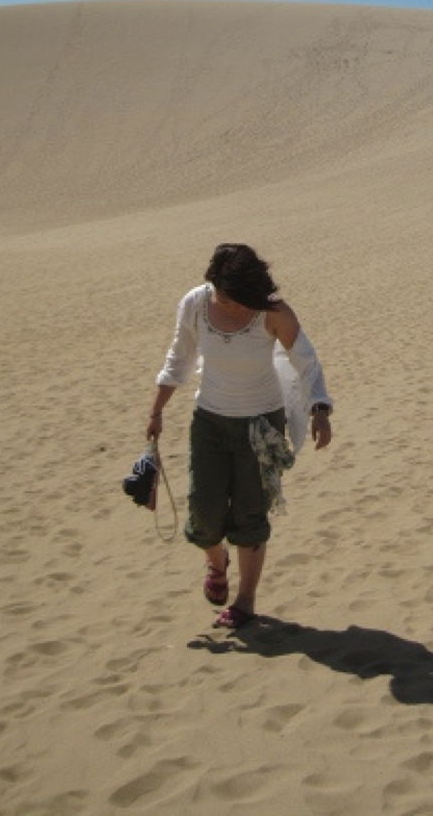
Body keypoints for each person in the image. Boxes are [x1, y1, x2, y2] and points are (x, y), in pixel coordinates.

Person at [147, 243, 333, 629]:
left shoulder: (272, 312)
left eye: (242, 298)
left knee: (251, 513)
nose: (235, 306)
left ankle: (245, 602)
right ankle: (216, 564)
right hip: (210, 421)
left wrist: (319, 409)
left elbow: (306, 361)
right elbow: (178, 357)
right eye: (228, 297)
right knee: (203, 511)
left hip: (261, 425)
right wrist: (157, 410)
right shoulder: (196, 305)